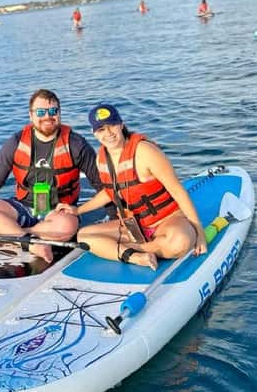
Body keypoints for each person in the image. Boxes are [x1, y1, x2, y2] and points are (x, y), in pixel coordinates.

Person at [0, 89, 105, 262]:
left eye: (53, 111)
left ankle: (11, 233)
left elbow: (101, 185)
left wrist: (119, 218)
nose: (47, 116)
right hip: (23, 206)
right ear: (31, 115)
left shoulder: (76, 144)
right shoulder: (15, 142)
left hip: (58, 211)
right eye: (41, 112)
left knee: (68, 227)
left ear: (59, 113)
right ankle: (31, 243)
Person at [55, 104, 207, 270]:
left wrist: (199, 233)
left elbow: (178, 191)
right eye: (101, 130)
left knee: (181, 242)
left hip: (167, 220)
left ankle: (117, 249)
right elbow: (109, 193)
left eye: (112, 125)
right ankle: (136, 256)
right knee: (84, 236)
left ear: (121, 124)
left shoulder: (145, 151)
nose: (109, 133)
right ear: (95, 134)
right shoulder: (101, 158)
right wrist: (78, 210)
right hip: (135, 226)